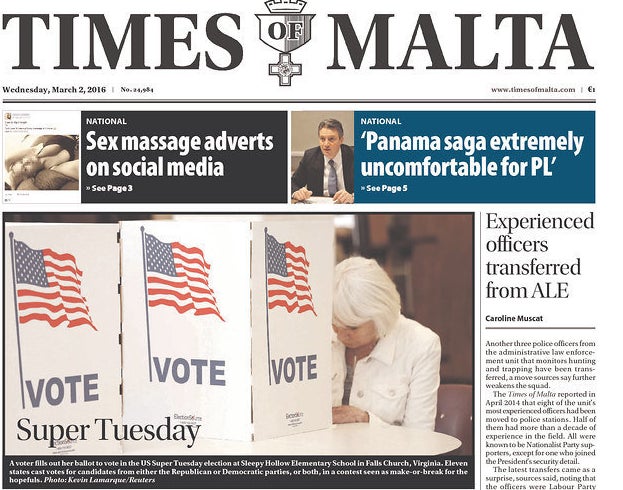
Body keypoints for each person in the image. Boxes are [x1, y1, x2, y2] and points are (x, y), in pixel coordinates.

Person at [331, 256, 441, 430]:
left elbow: (421, 440)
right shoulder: (318, 336)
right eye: (334, 324)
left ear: (380, 316)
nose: (340, 335)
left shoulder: (422, 345)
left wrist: (364, 419)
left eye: (352, 327)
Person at [291, 118, 354, 204]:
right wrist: (297, 192)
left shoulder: (355, 155)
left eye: (331, 139)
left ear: (341, 140)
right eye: (322, 139)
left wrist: (354, 197)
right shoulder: (310, 156)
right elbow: (293, 183)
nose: (326, 144)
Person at [5, 135, 79, 190]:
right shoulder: (53, 168)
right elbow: (76, 168)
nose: (26, 162)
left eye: (21, 162)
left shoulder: (34, 151)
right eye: (25, 169)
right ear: (32, 175)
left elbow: (7, 160)